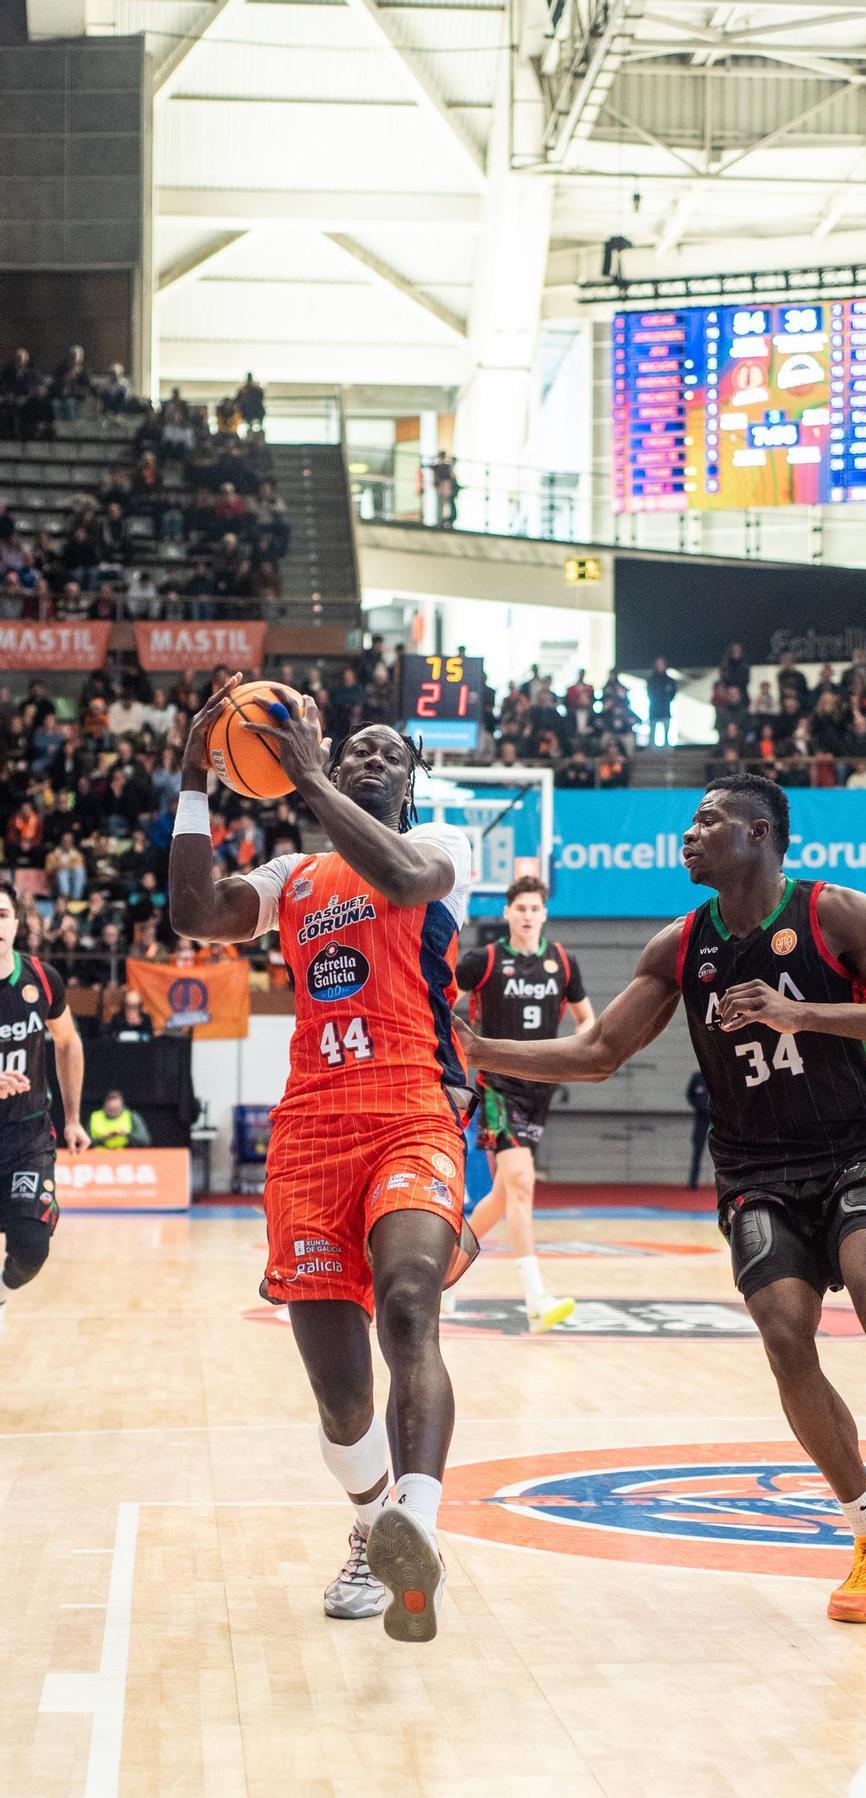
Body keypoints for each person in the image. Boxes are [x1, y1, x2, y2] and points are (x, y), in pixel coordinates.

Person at [458, 774, 866, 1626]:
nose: (688, 834)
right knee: (783, 1334)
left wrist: (803, 1015)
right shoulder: (682, 943)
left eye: (709, 820)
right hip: (758, 1168)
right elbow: (595, 1052)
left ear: (762, 833)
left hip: (860, 1148)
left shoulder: (836, 913)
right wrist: (478, 1049)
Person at [169, 678, 475, 1643]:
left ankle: (416, 1532)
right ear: (332, 768)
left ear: (413, 785)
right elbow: (193, 910)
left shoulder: (441, 850)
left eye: (390, 754)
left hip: (409, 1111)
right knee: (341, 1398)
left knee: (411, 1301)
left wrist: (307, 776)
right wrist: (193, 779)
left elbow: (403, 882)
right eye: (356, 753)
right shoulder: (293, 878)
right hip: (309, 1133)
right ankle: (370, 1524)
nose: (370, 760)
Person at [454, 877, 594, 1332]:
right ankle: (536, 1298)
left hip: (542, 1085)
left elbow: (586, 1019)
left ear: (544, 914)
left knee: (502, 1196)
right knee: (520, 1182)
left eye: (535, 908)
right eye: (521, 908)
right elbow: (441, 1002)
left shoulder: (563, 963)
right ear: (509, 913)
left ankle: (437, 1277)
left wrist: (575, 1057)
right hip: (498, 1084)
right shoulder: (485, 961)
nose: (529, 915)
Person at [0, 886, 89, 1322]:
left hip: (28, 1134)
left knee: (31, 1248)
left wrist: (72, 1118)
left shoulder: (42, 978)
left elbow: (68, 1043)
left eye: (1, 915)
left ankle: (5, 1286)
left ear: (17, 924)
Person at [646, 657, 677, 749]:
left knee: (666, 727)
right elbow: (649, 692)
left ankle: (666, 745)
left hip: (665, 707)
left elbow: (672, 693)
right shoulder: (651, 680)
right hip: (654, 707)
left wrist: (667, 699)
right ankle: (652, 746)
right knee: (653, 728)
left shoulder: (670, 680)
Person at [686, 1070, 709, 1189]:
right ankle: (693, 1182)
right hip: (700, 1119)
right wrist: (700, 1106)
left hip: (716, 1119)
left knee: (723, 1151)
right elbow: (689, 1096)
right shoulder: (697, 1077)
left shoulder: (718, 1076)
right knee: (697, 1150)